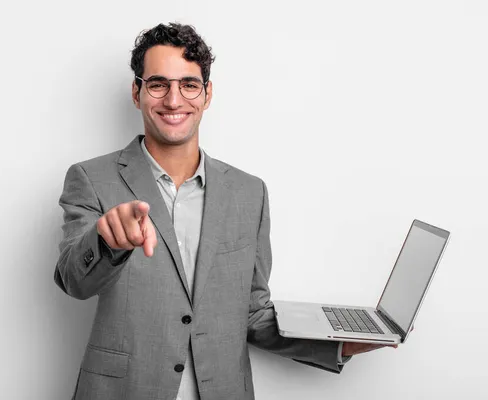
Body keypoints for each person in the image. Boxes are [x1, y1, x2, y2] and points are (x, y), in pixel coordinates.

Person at [54, 22, 394, 400]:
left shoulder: (249, 193)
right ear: (137, 92)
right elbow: (72, 280)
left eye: (189, 84)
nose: (173, 100)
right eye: (158, 84)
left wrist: (337, 344)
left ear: (207, 93)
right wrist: (106, 241)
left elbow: (251, 314)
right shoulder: (91, 177)